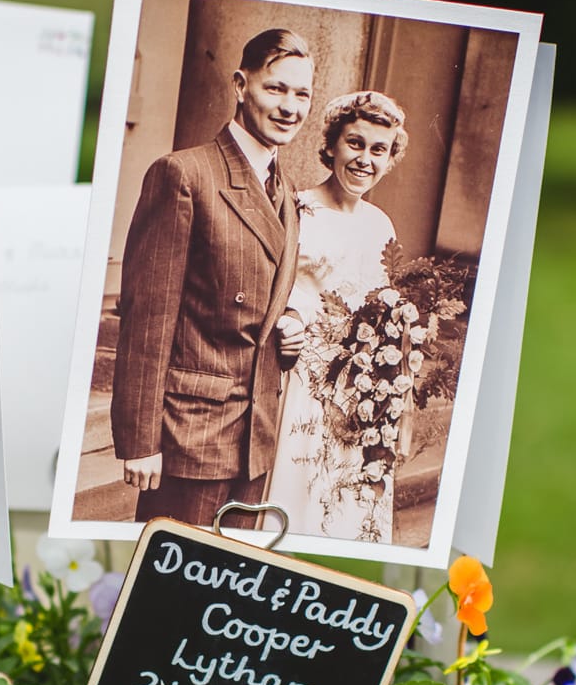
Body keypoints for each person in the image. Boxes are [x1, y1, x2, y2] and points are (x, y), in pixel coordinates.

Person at [109, 28, 313, 528]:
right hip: (191, 436)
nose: (290, 107)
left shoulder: (285, 191)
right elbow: (147, 315)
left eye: (302, 93)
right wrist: (140, 441)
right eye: (275, 89)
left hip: (254, 435)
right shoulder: (184, 175)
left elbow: (255, 290)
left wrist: (288, 326)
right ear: (241, 85)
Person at [271, 90, 410, 541]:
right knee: (302, 492)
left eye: (378, 150)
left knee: (350, 506)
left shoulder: (381, 224)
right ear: (331, 145)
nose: (364, 159)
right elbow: (281, 291)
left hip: (364, 391)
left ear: (390, 159)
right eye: (355, 143)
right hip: (305, 382)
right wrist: (290, 318)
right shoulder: (299, 209)